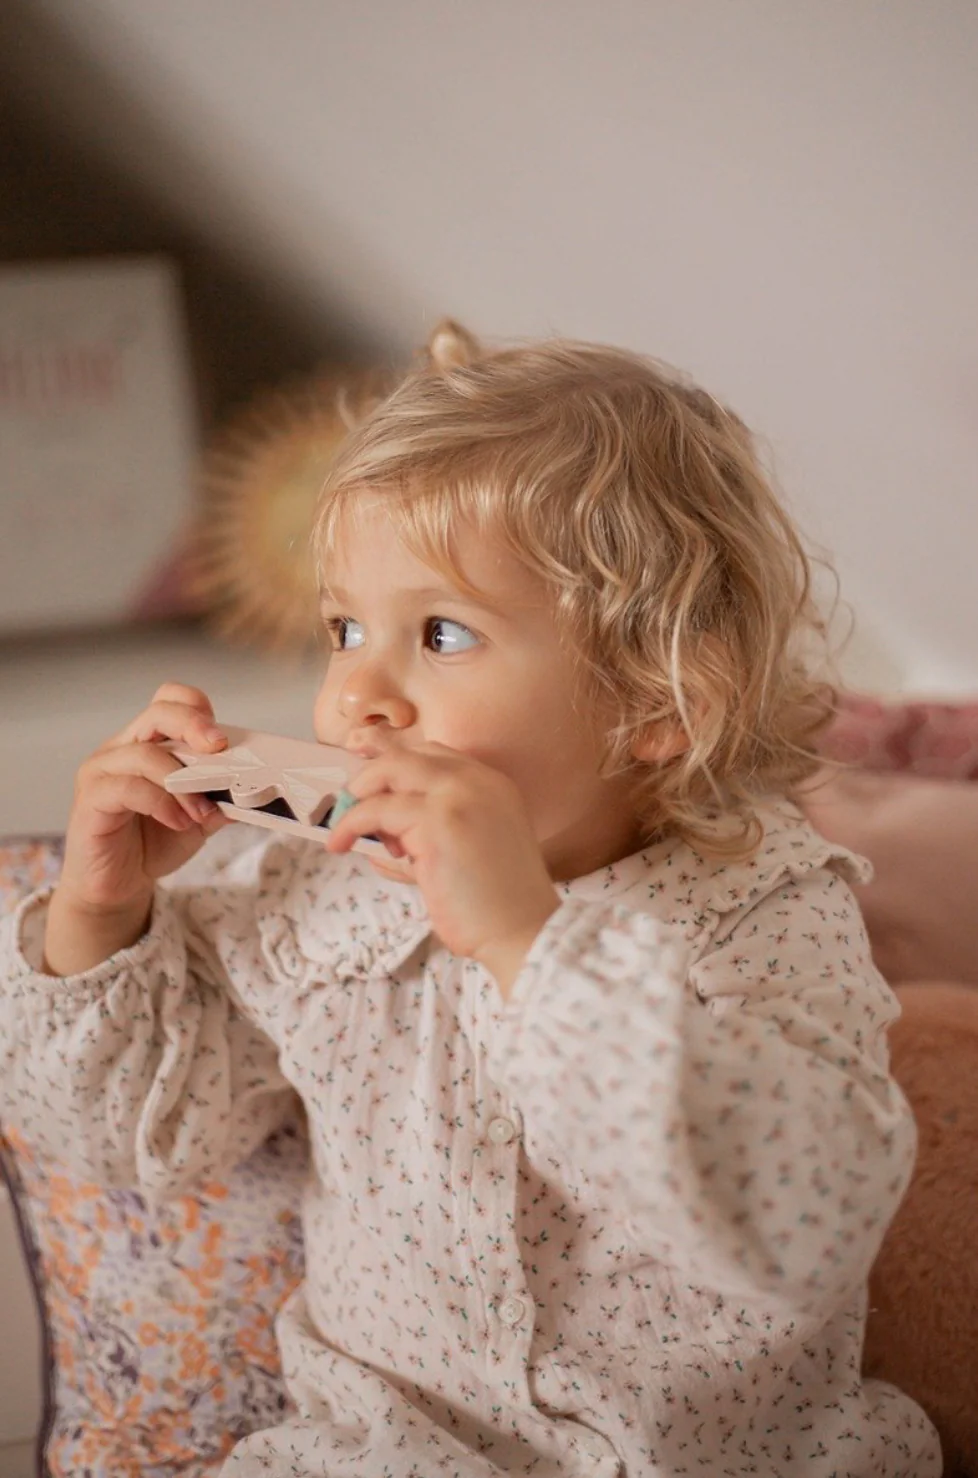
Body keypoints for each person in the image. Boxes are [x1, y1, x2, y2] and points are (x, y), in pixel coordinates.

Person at [0, 324, 941, 1476]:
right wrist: (99, 911)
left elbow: (806, 1219)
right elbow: (133, 1137)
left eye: (442, 632)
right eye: (346, 627)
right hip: (377, 1454)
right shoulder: (314, 889)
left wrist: (526, 940)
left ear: (657, 700)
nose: (357, 694)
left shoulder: (765, 912)